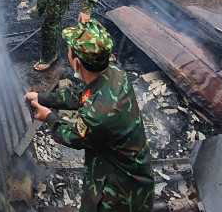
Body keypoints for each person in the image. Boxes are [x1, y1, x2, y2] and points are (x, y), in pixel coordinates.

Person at [25, 20, 154, 212]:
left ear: (76, 62)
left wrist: (49, 117)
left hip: (118, 196)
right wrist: (44, 98)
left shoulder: (98, 115)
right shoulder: (116, 74)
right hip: (128, 174)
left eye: (68, 50)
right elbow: (81, 94)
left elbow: (74, 137)